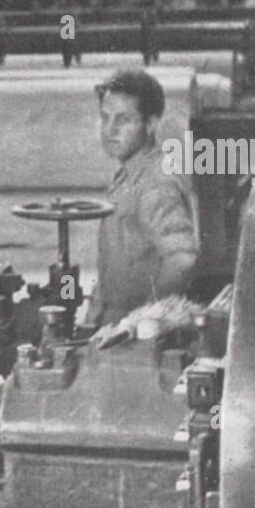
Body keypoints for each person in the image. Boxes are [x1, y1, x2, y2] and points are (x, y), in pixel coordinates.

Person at [86, 69, 197, 329]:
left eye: (124, 120)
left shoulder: (155, 183)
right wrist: (92, 321)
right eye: (105, 117)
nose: (110, 130)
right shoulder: (128, 176)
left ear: (151, 124)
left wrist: (146, 319)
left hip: (137, 334)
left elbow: (182, 258)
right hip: (116, 324)